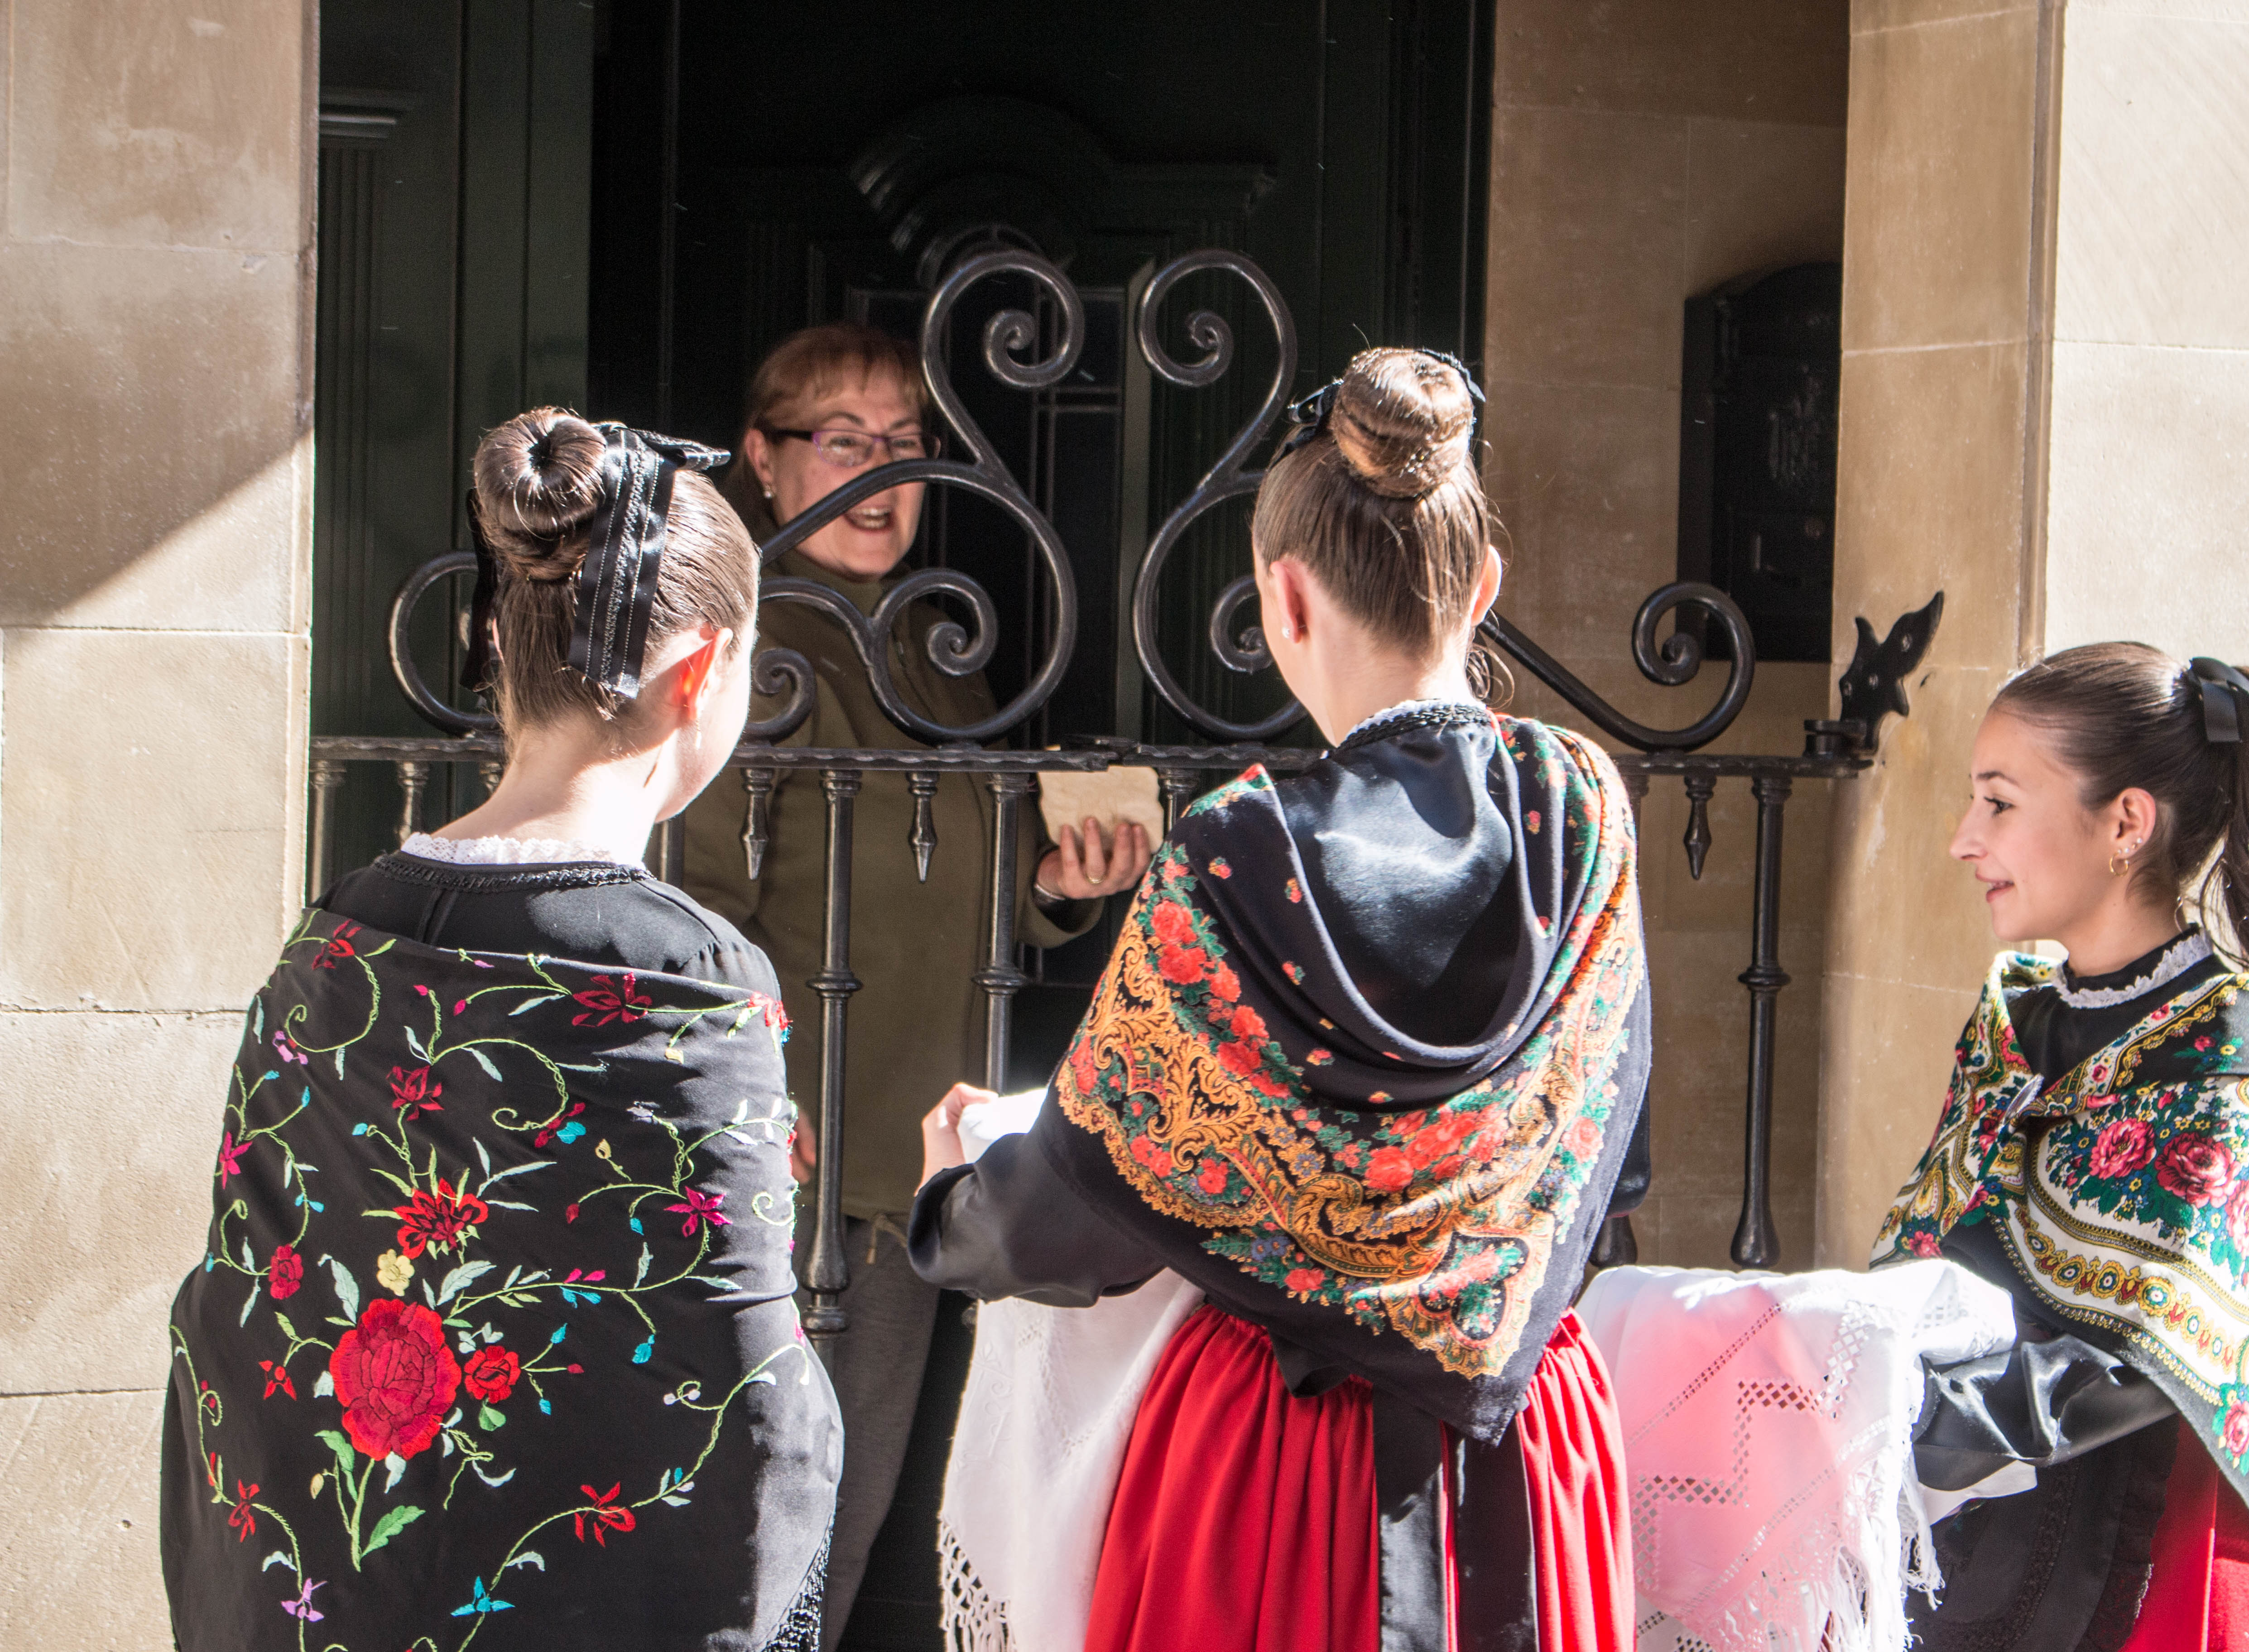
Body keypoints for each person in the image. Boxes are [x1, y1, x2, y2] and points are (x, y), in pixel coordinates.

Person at [909, 348, 1652, 1652]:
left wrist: (957, 1201)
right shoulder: (1585, 806)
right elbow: (1615, 1155)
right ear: (1482, 587)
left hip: (1283, 1462)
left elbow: (1080, 1214)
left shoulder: (1238, 851)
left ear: (1283, 601)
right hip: (1527, 1438)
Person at [160, 411, 843, 1650]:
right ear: (702, 668)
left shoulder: (330, 946)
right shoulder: (691, 981)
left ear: (495, 642)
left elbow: (244, 1327)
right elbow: (743, 1402)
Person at [682, 322, 1149, 1643]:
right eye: (845, 440)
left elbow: (959, 896)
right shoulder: (745, 665)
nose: (881, 475)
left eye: (904, 445)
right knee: (762, 1552)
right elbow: (693, 918)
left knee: (844, 1531)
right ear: (764, 462)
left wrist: (1058, 886)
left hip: (913, 1177)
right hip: (799, 1172)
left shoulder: (936, 656)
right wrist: (755, 1101)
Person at [1876, 644, 2249, 1650]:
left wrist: (1897, 1431)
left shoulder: (2235, 1060)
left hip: (2147, 1574)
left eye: (1999, 802)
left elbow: (2155, 1357)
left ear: (2125, 823)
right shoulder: (2016, 1025)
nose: (1963, 839)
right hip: (1972, 1545)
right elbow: (1933, 1267)